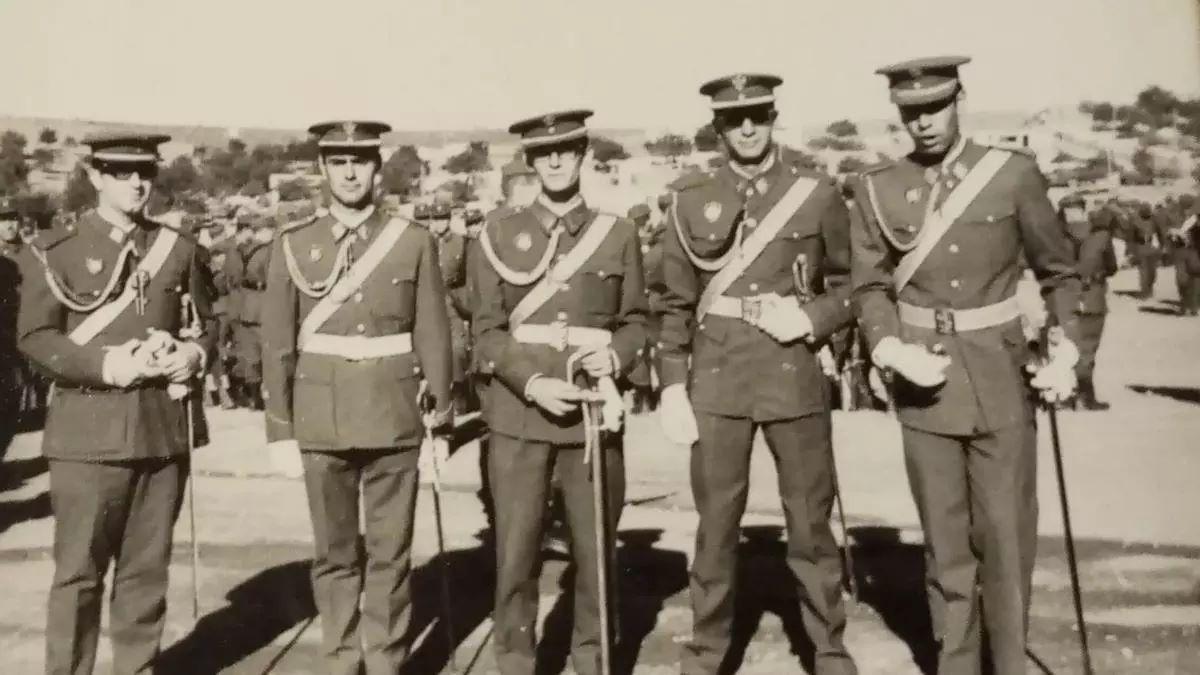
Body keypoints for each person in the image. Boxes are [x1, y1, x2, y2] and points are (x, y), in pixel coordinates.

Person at [848, 56, 1082, 675]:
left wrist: (1069, 349)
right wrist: (886, 346)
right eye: (910, 112)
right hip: (924, 386)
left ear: (959, 100)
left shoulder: (1012, 174)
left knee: (1006, 542)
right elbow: (869, 285)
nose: (924, 123)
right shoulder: (876, 187)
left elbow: (1060, 271)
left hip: (1003, 377)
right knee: (947, 550)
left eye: (935, 107)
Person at [656, 73, 857, 675]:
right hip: (717, 379)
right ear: (717, 127)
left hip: (791, 371)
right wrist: (670, 381)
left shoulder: (815, 191)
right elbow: (673, 299)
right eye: (734, 119)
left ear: (774, 118)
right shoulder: (690, 196)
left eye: (759, 116)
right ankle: (707, 652)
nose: (747, 128)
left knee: (811, 525)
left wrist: (815, 319)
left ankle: (828, 650)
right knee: (716, 527)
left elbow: (851, 284)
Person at [18, 132, 215, 675]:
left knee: (145, 576)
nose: (137, 184)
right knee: (78, 577)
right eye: (121, 172)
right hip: (87, 434)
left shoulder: (178, 249)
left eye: (145, 173)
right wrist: (106, 365)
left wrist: (192, 355)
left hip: (161, 430)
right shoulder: (52, 250)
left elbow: (207, 322)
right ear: (96, 176)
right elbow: (35, 337)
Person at [261, 120, 452, 675]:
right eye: (338, 161)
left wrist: (440, 419)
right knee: (335, 556)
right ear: (323, 169)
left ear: (376, 168)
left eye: (360, 160)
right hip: (321, 419)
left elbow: (434, 335)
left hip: (394, 417)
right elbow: (277, 343)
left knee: (391, 556)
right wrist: (279, 428)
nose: (349, 171)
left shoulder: (412, 241)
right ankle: (341, 662)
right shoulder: (293, 243)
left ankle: (388, 661)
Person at [470, 109, 646, 675]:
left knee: (596, 557)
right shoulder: (497, 234)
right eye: (543, 153)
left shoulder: (617, 234)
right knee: (516, 557)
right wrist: (533, 381)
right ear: (530, 161)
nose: (554, 161)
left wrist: (617, 355)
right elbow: (487, 331)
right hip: (522, 415)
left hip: (593, 418)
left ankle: (594, 664)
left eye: (566, 150)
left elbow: (637, 320)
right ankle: (516, 665)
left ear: (582, 155)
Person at [1060, 195, 1116, 410]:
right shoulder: (1101, 235)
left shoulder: (1053, 236)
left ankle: (1066, 395)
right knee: (1089, 348)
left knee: (1065, 346)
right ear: (1083, 210)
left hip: (1064, 297)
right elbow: (1111, 267)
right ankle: (1086, 396)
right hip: (1093, 297)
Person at [231, 215, 272, 409]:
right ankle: (266, 397)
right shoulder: (269, 251)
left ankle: (253, 397)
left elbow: (231, 277)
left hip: (245, 305)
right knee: (267, 352)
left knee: (250, 354)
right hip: (264, 305)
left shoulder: (239, 250)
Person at [1131, 202, 1159, 299]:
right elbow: (1131, 237)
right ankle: (1144, 292)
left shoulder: (1154, 220)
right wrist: (1132, 250)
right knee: (1144, 272)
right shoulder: (1135, 222)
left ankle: (1149, 289)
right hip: (1141, 248)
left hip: (1152, 248)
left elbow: (1160, 233)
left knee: (1152, 272)